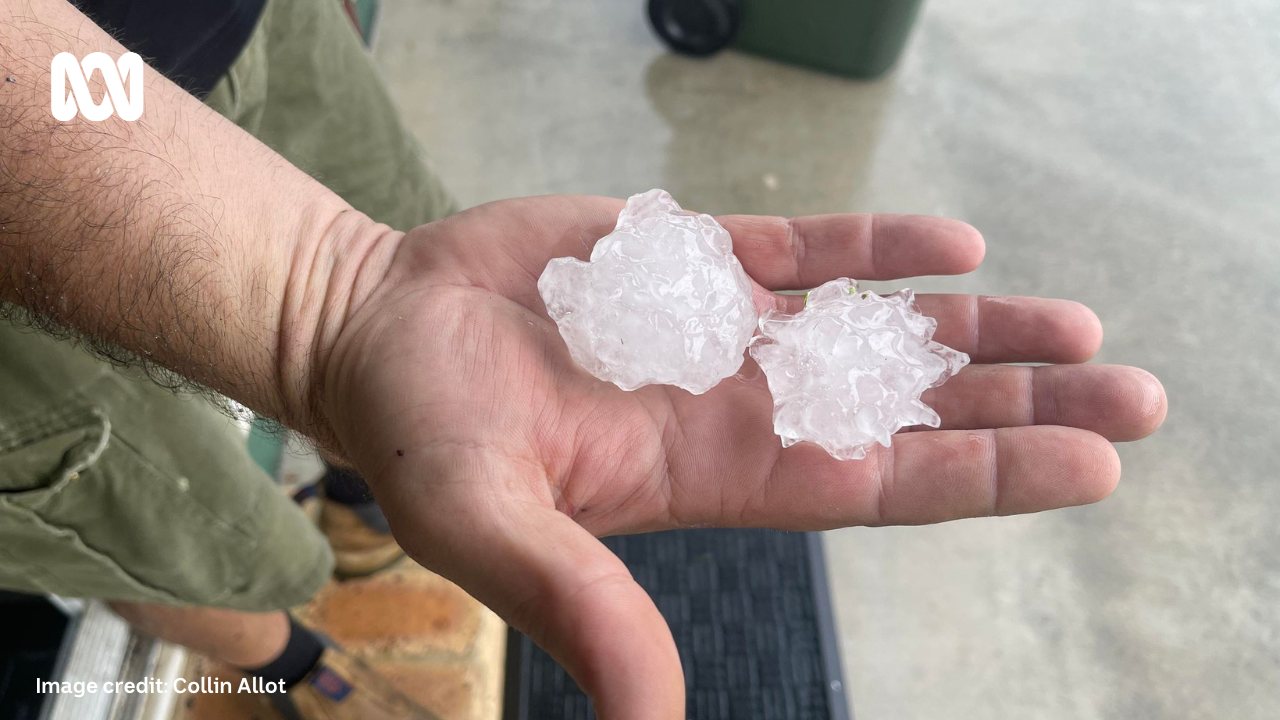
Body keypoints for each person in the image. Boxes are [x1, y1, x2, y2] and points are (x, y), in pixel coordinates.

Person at [0, 2, 1168, 720]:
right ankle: (292, 666)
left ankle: (359, 491)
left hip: (224, 16)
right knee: (189, 537)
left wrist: (341, 296)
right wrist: (332, 303)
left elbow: (373, 285)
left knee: (410, 287)